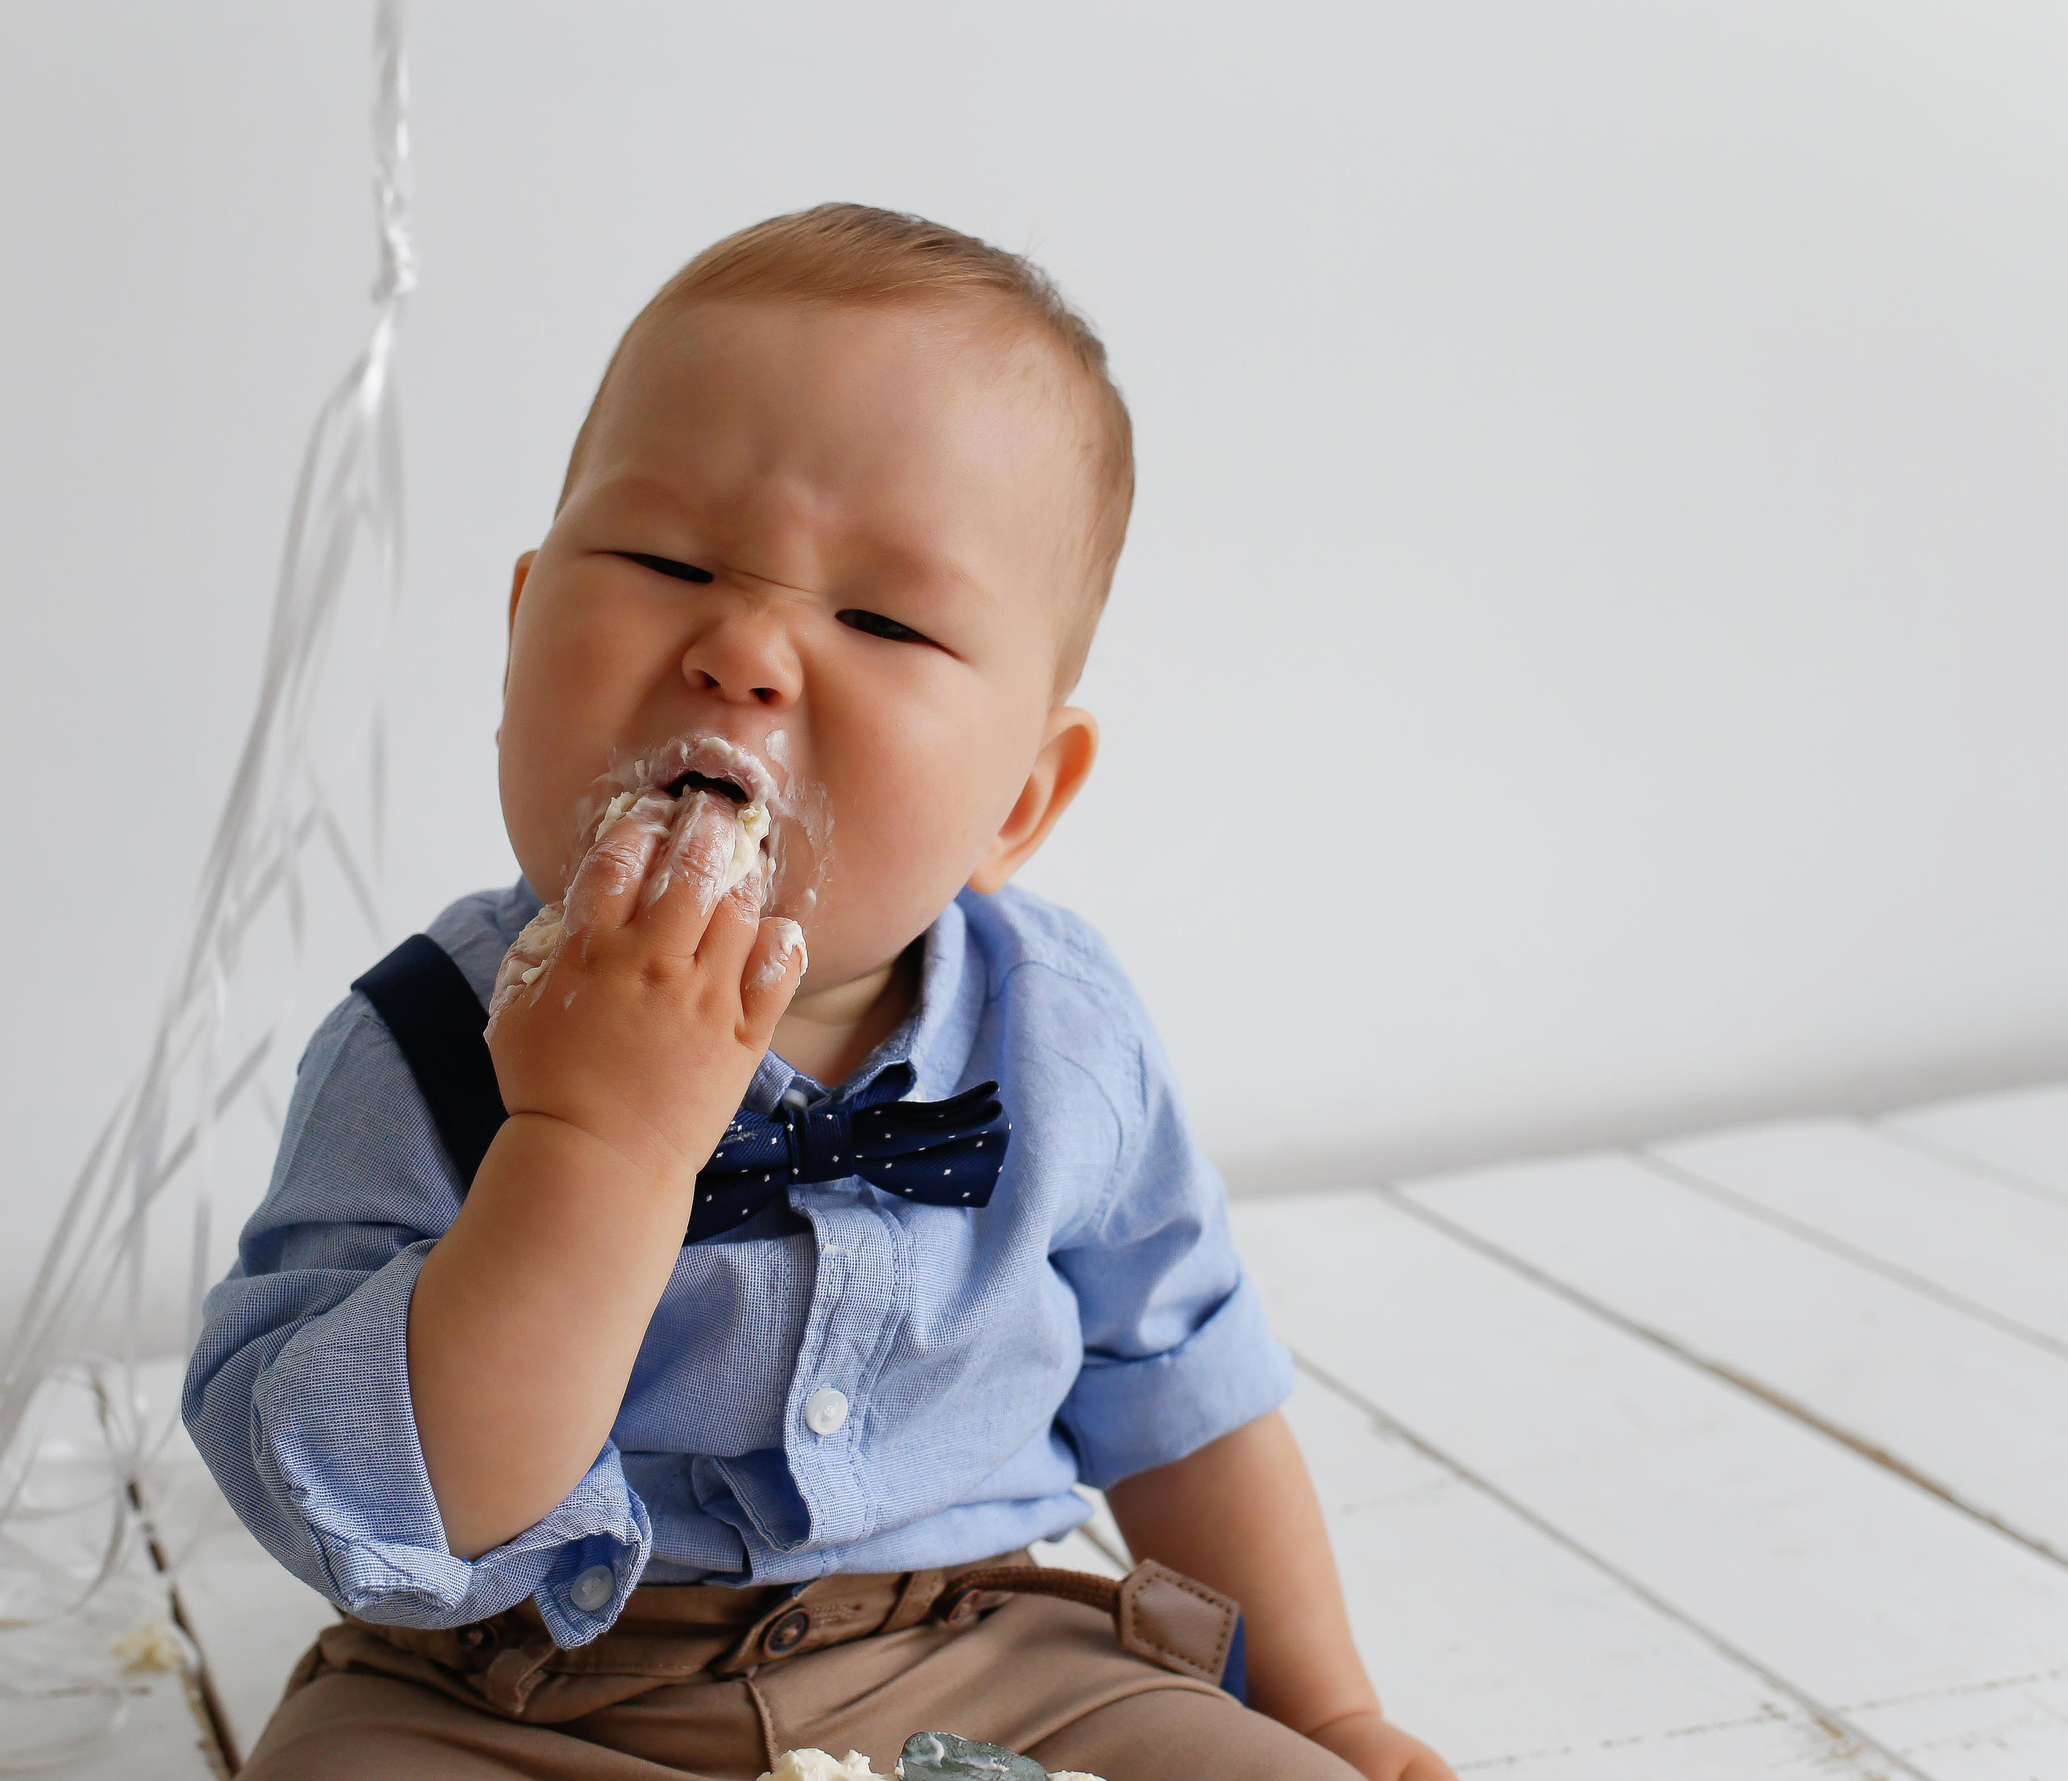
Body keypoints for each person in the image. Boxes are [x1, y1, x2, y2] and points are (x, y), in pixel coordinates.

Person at [183, 203, 1453, 1781]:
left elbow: (1183, 1393)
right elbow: (398, 1500)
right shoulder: (430, 1043)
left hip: (986, 1647)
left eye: (881, 618)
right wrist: (598, 1145)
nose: (746, 650)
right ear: (519, 634)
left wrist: (1321, 1705)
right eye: (665, 560)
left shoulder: (1059, 1028)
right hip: (514, 1681)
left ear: (1019, 802)